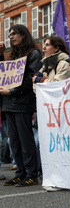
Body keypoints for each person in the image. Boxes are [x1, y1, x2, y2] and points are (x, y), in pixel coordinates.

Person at [0, 25, 42, 187]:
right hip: (9, 104)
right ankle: (21, 173)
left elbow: (31, 78)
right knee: (15, 142)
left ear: (23, 35)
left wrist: (11, 91)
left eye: (14, 34)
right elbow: (5, 75)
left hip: (22, 103)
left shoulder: (34, 54)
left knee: (26, 141)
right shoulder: (15, 54)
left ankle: (32, 174)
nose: (11, 37)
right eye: (9, 34)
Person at [32, 35, 70, 192]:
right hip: (50, 112)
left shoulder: (62, 64)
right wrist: (40, 83)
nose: (44, 47)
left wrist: (39, 82)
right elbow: (37, 90)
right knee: (52, 145)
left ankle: (65, 178)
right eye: (44, 45)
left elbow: (57, 86)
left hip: (64, 112)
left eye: (47, 45)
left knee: (64, 145)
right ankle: (55, 178)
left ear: (56, 48)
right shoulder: (45, 66)